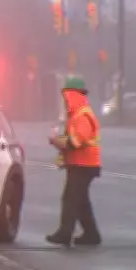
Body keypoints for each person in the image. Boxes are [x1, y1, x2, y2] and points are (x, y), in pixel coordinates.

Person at [46, 76, 102, 246]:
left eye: (66, 96)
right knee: (80, 200)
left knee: (70, 199)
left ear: (73, 95)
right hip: (82, 164)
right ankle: (92, 235)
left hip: (84, 165)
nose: (64, 100)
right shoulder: (77, 114)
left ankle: (65, 234)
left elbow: (76, 142)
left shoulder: (82, 115)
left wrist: (56, 141)